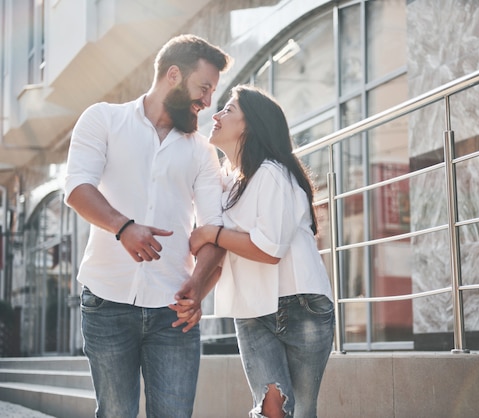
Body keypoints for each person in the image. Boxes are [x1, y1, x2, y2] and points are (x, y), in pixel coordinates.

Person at [64, 34, 232, 418]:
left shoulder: (203, 153)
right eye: (204, 88)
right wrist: (124, 227)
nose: (208, 102)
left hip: (173, 312)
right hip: (106, 302)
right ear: (174, 74)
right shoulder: (103, 119)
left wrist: (200, 284)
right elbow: (77, 188)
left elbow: (213, 229)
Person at [190, 85, 335, 418]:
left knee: (299, 410)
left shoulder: (273, 172)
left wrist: (211, 232)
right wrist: (195, 295)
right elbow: (225, 253)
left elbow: (269, 250)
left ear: (251, 124)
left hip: (299, 303)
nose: (216, 115)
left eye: (228, 109)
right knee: (272, 409)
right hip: (252, 308)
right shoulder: (228, 183)